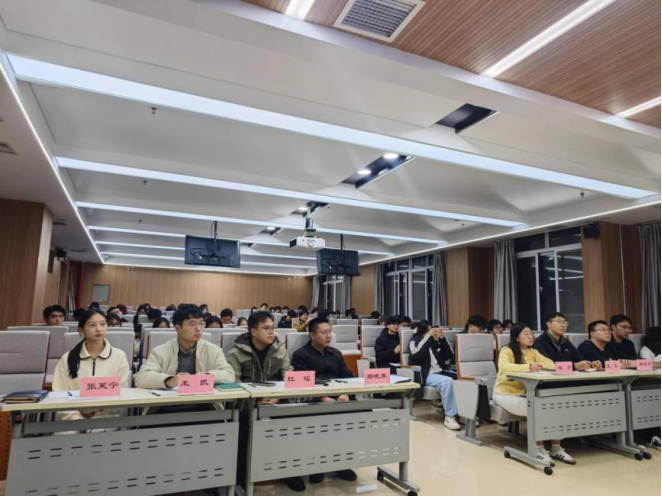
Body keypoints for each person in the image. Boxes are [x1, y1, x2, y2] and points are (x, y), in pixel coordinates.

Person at [225, 312, 301, 493]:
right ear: (253, 331)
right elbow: (234, 382)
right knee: (242, 422)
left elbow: (289, 377)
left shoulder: (279, 349)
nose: (272, 332)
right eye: (266, 328)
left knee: (292, 418)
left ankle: (288, 471)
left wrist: (276, 397)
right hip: (247, 403)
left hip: (274, 399)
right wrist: (255, 400)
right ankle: (241, 476)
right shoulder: (236, 353)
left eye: (273, 328)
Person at [494, 323, 576, 465]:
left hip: (527, 395)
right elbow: (504, 367)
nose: (531, 336)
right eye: (526, 334)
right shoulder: (507, 350)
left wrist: (538, 365)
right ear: (516, 337)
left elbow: (550, 363)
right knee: (538, 410)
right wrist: (529, 367)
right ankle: (538, 449)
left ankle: (556, 448)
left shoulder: (533, 352)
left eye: (531, 333)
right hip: (506, 394)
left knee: (553, 407)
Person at [291, 317, 357, 485]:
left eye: (329, 332)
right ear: (312, 335)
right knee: (320, 424)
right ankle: (317, 466)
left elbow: (348, 377)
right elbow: (303, 384)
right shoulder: (300, 355)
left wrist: (346, 394)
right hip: (314, 401)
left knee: (357, 418)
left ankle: (340, 463)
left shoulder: (336, 353)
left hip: (339, 398)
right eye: (323, 332)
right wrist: (321, 397)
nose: (328, 336)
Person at [53, 309, 131, 421]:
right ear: (81, 330)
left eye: (103, 324)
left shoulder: (119, 356)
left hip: (106, 418)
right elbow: (59, 393)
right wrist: (75, 418)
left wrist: (98, 412)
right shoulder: (67, 358)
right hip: (72, 419)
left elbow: (121, 391)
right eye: (92, 325)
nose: (99, 329)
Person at [135, 304, 235, 389]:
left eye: (201, 323)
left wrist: (208, 376)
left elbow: (229, 374)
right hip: (170, 403)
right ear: (178, 328)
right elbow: (141, 378)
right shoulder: (160, 351)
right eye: (192, 324)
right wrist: (170, 380)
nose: (198, 328)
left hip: (204, 402)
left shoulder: (213, 350)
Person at [408, 320, 460, 431]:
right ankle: (449, 417)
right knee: (447, 381)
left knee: (462, 380)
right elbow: (416, 355)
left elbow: (449, 355)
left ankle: (464, 414)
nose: (432, 332)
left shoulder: (433, 342)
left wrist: (442, 339)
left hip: (440, 371)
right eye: (429, 330)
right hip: (426, 374)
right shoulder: (414, 341)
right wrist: (428, 338)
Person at [534, 312, 599, 371]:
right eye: (559, 322)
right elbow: (549, 365)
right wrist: (573, 366)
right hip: (549, 377)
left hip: (567, 376)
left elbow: (579, 359)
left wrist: (590, 364)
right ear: (548, 324)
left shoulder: (565, 341)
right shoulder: (540, 342)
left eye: (565, 322)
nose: (563, 325)